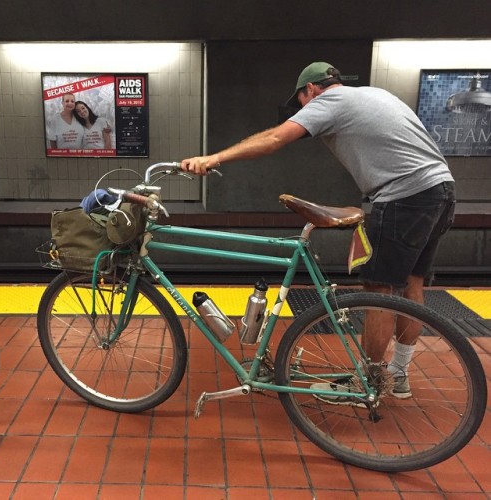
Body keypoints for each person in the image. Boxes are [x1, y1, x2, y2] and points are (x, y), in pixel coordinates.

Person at [181, 61, 456, 402]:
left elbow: (275, 138)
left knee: (380, 290)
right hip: (440, 189)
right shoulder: (375, 94)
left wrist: (214, 158)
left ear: (310, 90)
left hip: (405, 195)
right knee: (412, 285)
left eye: (301, 103)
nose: (303, 111)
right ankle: (398, 376)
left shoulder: (330, 102)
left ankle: (368, 383)